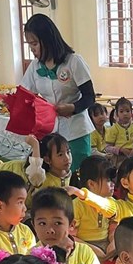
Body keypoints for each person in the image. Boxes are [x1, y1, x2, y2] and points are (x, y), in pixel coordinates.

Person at [20, 13, 96, 164]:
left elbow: (90, 96)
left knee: (77, 172)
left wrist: (73, 108)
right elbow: (26, 96)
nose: (32, 49)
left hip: (76, 130)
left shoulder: (73, 61)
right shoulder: (35, 66)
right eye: (30, 45)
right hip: (49, 131)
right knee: (52, 173)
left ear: (48, 40)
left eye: (34, 44)